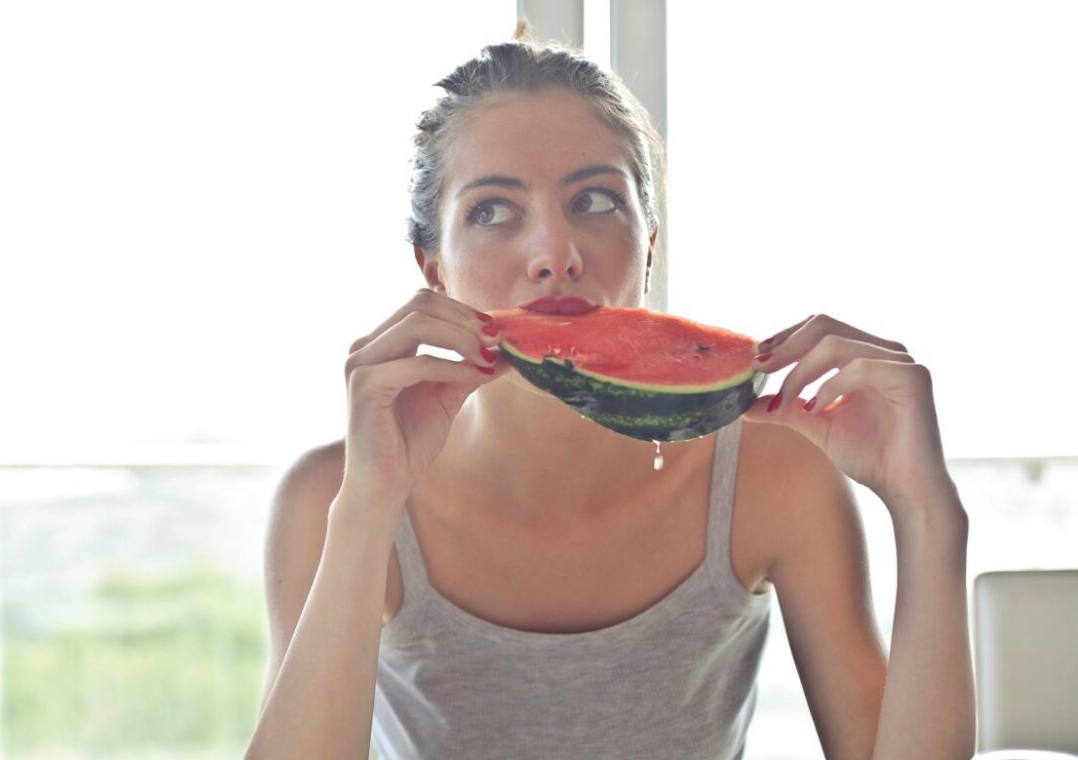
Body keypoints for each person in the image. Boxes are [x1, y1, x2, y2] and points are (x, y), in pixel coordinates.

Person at [245, 33, 975, 760]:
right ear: (433, 267)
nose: (554, 255)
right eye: (492, 211)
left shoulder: (772, 476)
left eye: (593, 201)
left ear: (649, 245)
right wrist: (370, 505)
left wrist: (928, 513)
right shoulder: (332, 498)